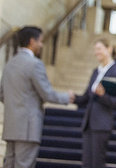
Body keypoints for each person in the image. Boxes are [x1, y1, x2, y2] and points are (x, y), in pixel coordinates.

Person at [0, 26, 74, 168]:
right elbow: (47, 93)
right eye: (40, 41)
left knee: (9, 165)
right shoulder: (35, 64)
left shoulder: (9, 64)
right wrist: (67, 97)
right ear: (32, 41)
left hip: (11, 126)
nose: (41, 44)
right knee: (24, 165)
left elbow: (2, 94)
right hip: (28, 128)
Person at [74, 39, 116, 168]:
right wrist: (73, 98)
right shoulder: (95, 72)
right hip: (89, 123)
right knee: (86, 163)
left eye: (99, 49)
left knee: (97, 162)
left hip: (102, 124)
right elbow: (87, 96)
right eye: (95, 49)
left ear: (109, 49)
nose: (96, 52)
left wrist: (103, 96)